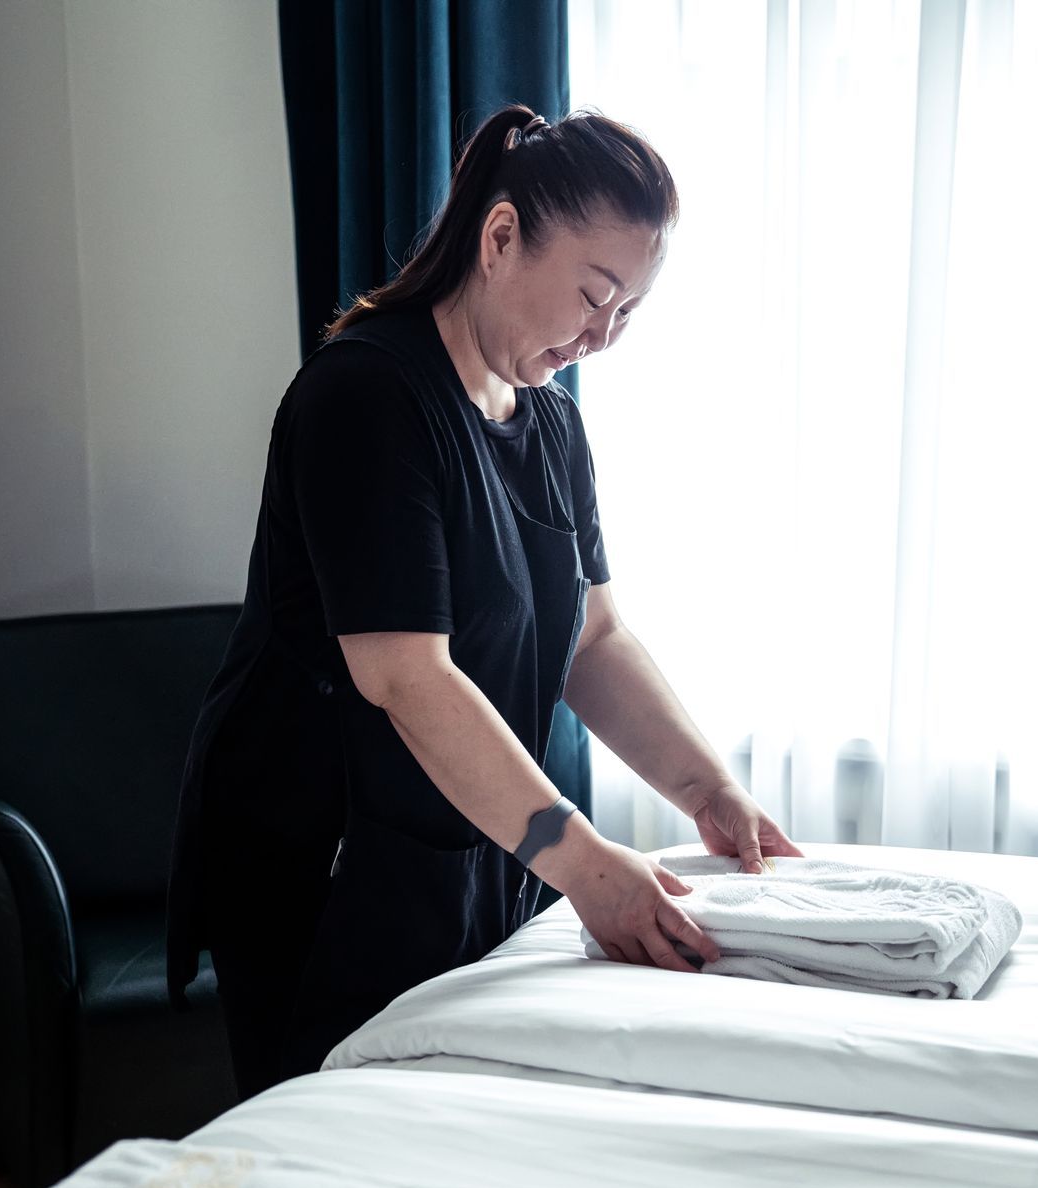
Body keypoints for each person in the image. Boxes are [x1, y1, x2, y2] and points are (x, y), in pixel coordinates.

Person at [164, 103, 805, 1102]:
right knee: (335, 1140)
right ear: (500, 237)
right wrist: (584, 865)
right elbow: (407, 678)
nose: (603, 338)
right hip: (324, 859)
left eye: (628, 313)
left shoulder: (550, 426)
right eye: (594, 297)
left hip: (469, 840)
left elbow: (594, 639)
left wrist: (707, 790)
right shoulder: (368, 400)